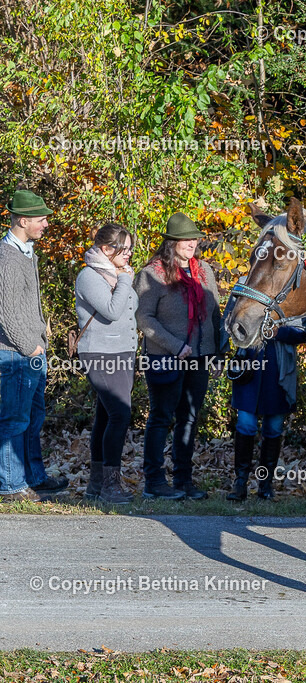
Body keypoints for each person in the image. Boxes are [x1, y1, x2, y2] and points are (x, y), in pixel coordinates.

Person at [135, 213, 223, 500]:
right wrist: (174, 346)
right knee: (161, 417)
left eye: (195, 238)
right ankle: (154, 481)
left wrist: (218, 352)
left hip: (200, 356)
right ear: (171, 242)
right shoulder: (152, 274)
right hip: (165, 356)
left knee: (190, 418)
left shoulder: (205, 271)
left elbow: (215, 314)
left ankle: (184, 480)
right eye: (186, 238)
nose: (192, 243)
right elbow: (143, 318)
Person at [0, 189, 69, 502]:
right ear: (22, 220)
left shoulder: (26, 252)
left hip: (32, 353)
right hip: (15, 354)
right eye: (41, 219)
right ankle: (11, 486)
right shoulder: (7, 257)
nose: (45, 224)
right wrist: (30, 347)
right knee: (14, 420)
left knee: (33, 418)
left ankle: (34, 478)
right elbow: (6, 312)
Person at [224, 299, 306, 501]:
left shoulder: (294, 293)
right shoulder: (245, 286)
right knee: (245, 425)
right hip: (249, 367)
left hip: (279, 371)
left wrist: (279, 332)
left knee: (273, 429)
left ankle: (265, 484)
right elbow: (228, 322)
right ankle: (240, 483)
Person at [75, 223, 138, 504]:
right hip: (100, 353)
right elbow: (112, 311)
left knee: (105, 416)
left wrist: (123, 279)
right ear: (105, 249)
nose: (129, 255)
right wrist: (125, 280)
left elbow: (131, 306)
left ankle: (96, 485)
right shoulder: (89, 276)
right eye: (123, 250)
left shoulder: (116, 273)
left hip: (123, 352)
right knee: (120, 415)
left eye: (130, 249)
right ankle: (111, 486)